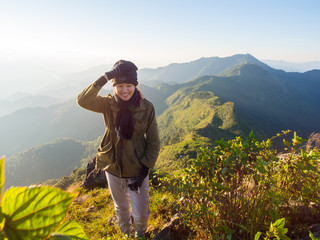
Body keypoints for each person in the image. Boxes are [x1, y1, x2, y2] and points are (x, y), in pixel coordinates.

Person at [77, 60, 160, 238]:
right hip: (112, 167)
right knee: (121, 207)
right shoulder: (108, 105)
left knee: (140, 212)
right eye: (120, 85)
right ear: (114, 86)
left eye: (128, 85)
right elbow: (83, 100)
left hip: (138, 169)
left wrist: (144, 170)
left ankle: (140, 233)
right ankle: (126, 234)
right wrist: (107, 76)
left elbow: (153, 141)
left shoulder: (146, 108)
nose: (124, 90)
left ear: (135, 86)